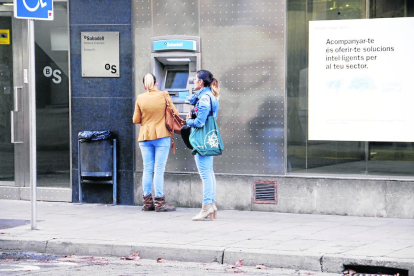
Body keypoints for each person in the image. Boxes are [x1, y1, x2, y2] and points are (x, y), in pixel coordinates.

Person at [132, 73, 179, 212]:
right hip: (162, 136)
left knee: (147, 169)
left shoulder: (140, 98)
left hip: (145, 137)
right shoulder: (164, 95)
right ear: (156, 83)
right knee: (159, 170)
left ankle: (147, 203)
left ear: (144, 85)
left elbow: (135, 119)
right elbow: (175, 112)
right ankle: (160, 203)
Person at [185, 70, 220, 221]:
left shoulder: (205, 98)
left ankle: (206, 207)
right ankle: (211, 205)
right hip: (208, 138)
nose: (193, 82)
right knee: (209, 173)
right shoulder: (209, 96)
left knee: (205, 175)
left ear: (201, 82)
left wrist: (188, 121)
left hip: (202, 140)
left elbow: (200, 122)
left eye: (195, 80)